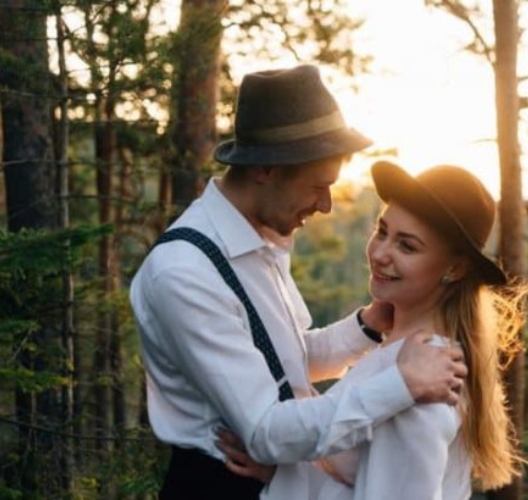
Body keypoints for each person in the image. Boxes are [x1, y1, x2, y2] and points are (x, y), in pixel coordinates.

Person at [129, 65, 468, 500]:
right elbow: (266, 432)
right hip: (222, 484)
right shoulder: (183, 274)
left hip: (277, 477)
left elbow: (280, 361)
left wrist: (365, 326)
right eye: (318, 185)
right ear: (266, 169)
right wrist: (399, 385)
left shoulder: (261, 239)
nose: (326, 205)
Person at [220, 160, 528, 499]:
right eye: (382, 231)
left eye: (407, 246)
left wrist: (283, 476)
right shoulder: (408, 358)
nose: (380, 253)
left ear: (455, 268)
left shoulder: (423, 382)